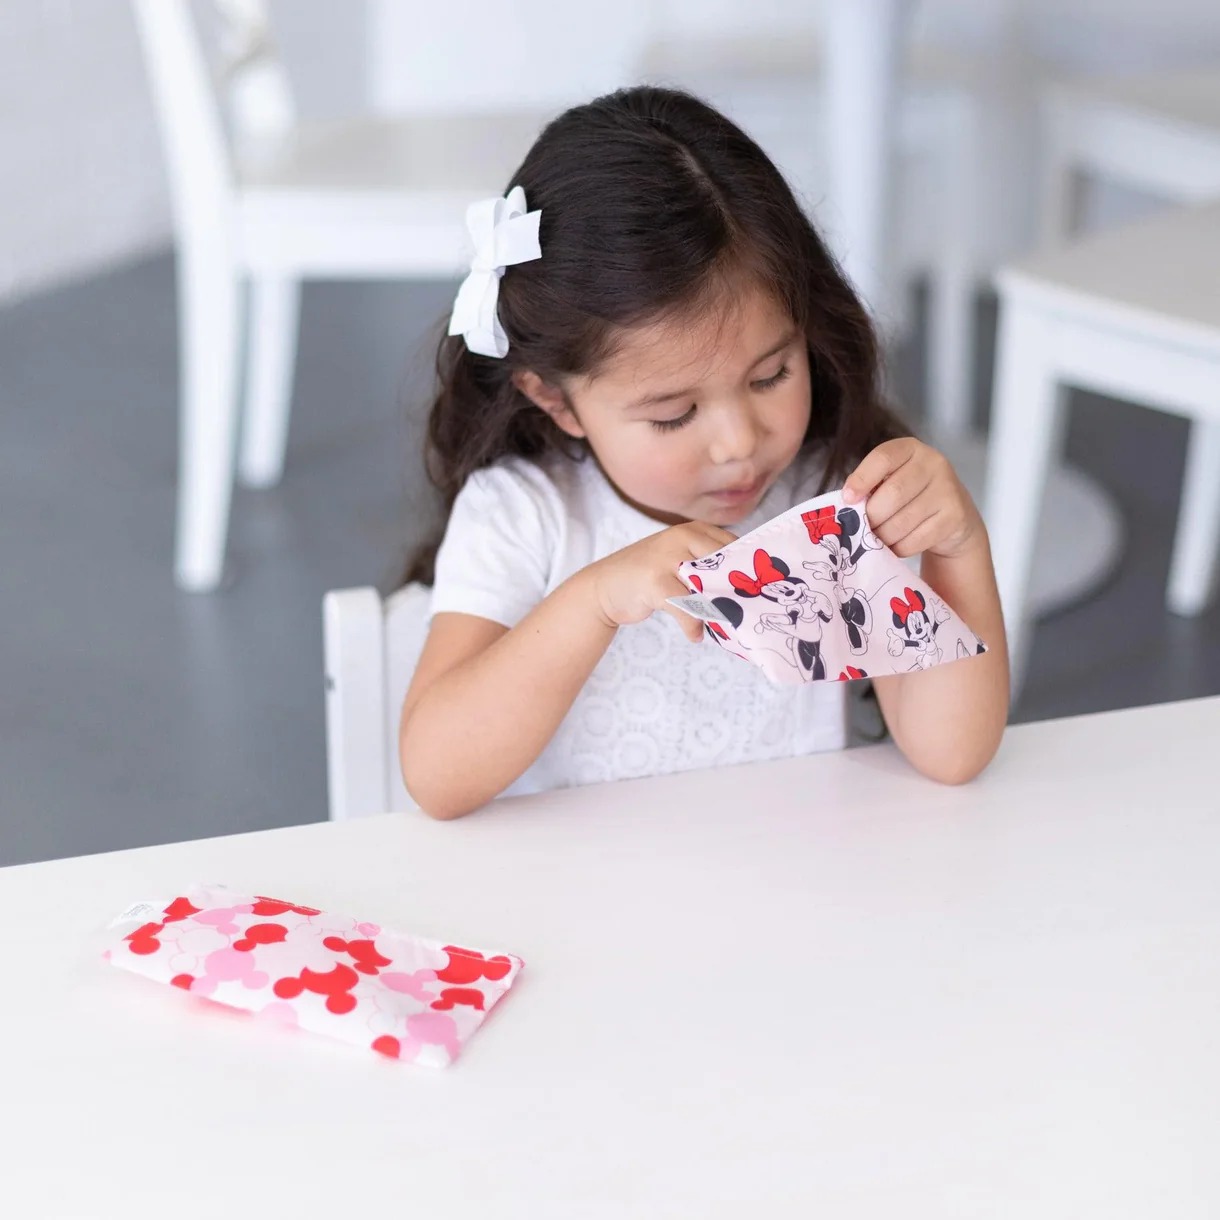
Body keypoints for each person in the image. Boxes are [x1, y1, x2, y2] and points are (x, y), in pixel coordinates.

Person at [398, 85, 1009, 820]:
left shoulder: (830, 492)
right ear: (556, 400)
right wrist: (594, 600)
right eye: (674, 414)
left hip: (804, 893)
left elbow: (954, 753)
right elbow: (437, 776)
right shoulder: (524, 517)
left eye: (772, 375)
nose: (740, 442)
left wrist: (958, 545)